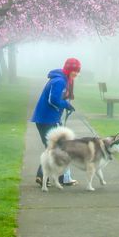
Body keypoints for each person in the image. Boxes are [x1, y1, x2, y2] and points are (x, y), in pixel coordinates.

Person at [31, 57, 81, 186]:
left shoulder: (63, 79)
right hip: (46, 119)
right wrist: (66, 104)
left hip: (48, 118)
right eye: (74, 70)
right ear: (69, 69)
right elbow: (52, 100)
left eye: (78, 70)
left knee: (54, 148)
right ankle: (56, 177)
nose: (76, 73)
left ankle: (46, 177)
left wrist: (66, 104)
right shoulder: (59, 81)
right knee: (56, 148)